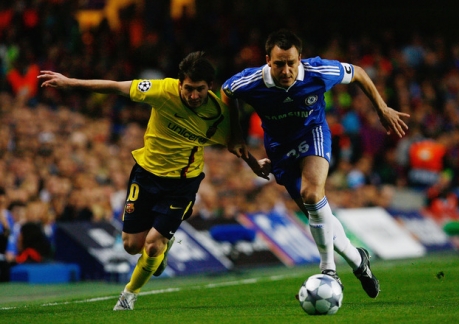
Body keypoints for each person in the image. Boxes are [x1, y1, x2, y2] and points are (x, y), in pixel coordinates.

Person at [38, 51, 266, 310]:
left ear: (210, 87)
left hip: (182, 184)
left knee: (153, 244)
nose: (193, 96)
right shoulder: (162, 91)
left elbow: (236, 146)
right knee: (131, 245)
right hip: (145, 174)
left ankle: (129, 295)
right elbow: (116, 87)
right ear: (179, 83)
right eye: (188, 88)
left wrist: (254, 164)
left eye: (200, 90)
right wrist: (71, 83)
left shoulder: (219, 117)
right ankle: (163, 249)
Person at [222, 29, 410, 298]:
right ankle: (359, 262)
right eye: (279, 64)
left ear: (300, 59)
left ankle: (328, 270)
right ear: (267, 60)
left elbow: (358, 72)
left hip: (313, 134)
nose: (286, 70)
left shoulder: (320, 71)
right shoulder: (250, 82)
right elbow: (226, 92)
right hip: (279, 149)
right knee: (318, 216)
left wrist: (382, 109)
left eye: (291, 63)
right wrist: (236, 135)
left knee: (311, 194)